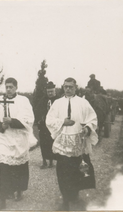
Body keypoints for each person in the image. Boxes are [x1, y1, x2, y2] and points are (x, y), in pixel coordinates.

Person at [46, 77, 98, 211]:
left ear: (75, 88)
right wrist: (62, 122)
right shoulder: (57, 103)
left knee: (78, 170)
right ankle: (65, 200)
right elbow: (49, 120)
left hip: (78, 143)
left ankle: (74, 194)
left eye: (71, 87)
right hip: (63, 144)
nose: (68, 89)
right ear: (62, 87)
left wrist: (87, 129)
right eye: (66, 86)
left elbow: (93, 119)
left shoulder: (83, 103)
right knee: (63, 172)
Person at [0, 77, 35, 210]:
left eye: (11, 87)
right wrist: (2, 125)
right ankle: (2, 198)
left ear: (16, 87)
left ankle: (19, 189)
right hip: (4, 138)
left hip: (19, 138)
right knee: (4, 169)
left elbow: (29, 120)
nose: (8, 89)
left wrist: (12, 121)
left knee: (19, 167)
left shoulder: (23, 101)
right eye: (7, 87)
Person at [34, 81, 59, 169]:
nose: (50, 93)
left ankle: (52, 161)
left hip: (54, 126)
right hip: (44, 127)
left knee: (53, 143)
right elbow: (37, 110)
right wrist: (39, 120)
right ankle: (44, 161)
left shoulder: (58, 101)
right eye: (48, 92)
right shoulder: (43, 100)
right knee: (44, 143)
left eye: (52, 91)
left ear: (55, 91)